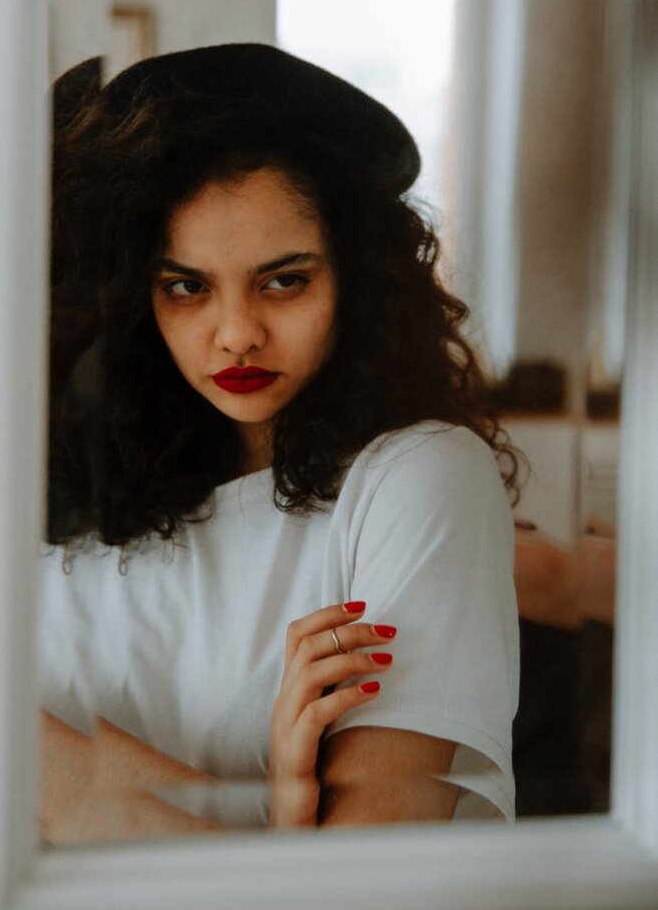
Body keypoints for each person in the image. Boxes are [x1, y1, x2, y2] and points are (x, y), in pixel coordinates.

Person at [40, 43, 521, 841]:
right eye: (186, 286)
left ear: (357, 279)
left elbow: (371, 879)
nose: (236, 333)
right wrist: (272, 831)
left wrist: (53, 776)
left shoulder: (415, 479)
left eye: (283, 280)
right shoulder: (55, 497)